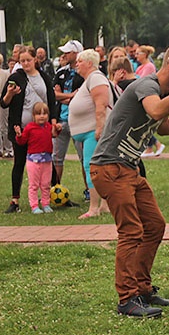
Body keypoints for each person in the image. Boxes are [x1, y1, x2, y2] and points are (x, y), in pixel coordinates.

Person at [89, 44, 169, 318]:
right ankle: (126, 299)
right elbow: (157, 111)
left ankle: (143, 289)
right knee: (131, 231)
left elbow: (163, 124)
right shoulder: (146, 85)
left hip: (129, 169)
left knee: (155, 225)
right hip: (110, 168)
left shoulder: (160, 92)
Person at [1, 46, 58, 214]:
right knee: (19, 162)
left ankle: (54, 194)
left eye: (28, 60)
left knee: (48, 160)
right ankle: (15, 199)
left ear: (35, 60)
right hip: (22, 127)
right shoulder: (15, 78)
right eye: (22, 61)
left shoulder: (44, 77)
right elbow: (3, 102)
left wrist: (53, 122)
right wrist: (10, 94)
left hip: (42, 129)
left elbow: (52, 100)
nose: (25, 63)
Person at [68, 48, 115, 218]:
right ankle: (104, 205)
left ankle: (94, 208)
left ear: (89, 63)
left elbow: (101, 105)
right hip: (87, 133)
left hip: (93, 133)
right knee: (95, 168)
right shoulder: (89, 79)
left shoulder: (95, 78)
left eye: (80, 61)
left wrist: (99, 128)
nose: (77, 64)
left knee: (92, 168)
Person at [52, 40, 86, 199]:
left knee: (84, 158)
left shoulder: (84, 72)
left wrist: (66, 97)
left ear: (76, 53)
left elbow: (83, 95)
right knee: (57, 158)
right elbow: (55, 95)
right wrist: (71, 95)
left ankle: (88, 191)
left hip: (79, 121)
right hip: (60, 120)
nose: (64, 54)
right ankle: (54, 190)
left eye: (68, 52)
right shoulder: (60, 72)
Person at [14, 102, 61, 214]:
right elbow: (22, 141)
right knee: (34, 185)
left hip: (47, 160)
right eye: (38, 114)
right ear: (33, 116)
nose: (42, 116)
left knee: (45, 184)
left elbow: (54, 134)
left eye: (44, 114)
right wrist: (19, 135)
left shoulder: (48, 127)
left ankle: (46, 204)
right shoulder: (30, 127)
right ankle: (34, 205)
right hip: (33, 161)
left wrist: (58, 129)